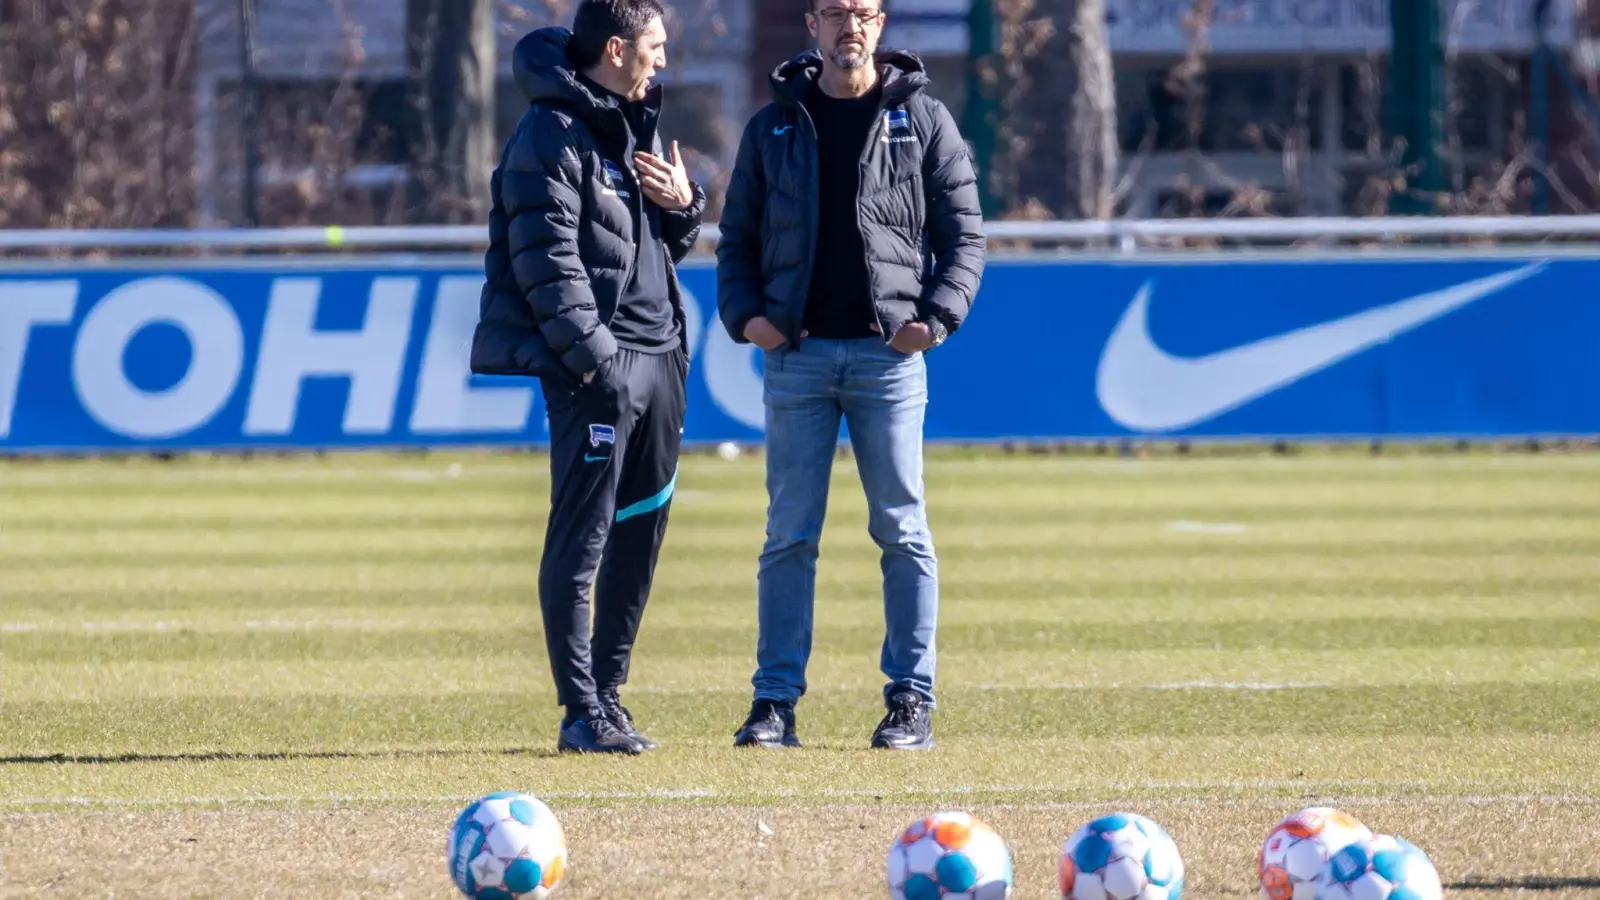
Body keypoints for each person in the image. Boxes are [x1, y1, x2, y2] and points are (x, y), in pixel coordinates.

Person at [715, 0, 985, 750]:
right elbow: (734, 238)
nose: (850, 28)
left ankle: (910, 700)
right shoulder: (773, 124)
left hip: (887, 360)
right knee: (787, 537)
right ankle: (774, 705)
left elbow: (965, 235)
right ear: (812, 25)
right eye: (835, 13)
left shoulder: (924, 119)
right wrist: (747, 318)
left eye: (863, 12)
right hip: (796, 357)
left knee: (902, 530)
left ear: (882, 23)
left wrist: (935, 318)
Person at [470, 0, 706, 755]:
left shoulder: (635, 119)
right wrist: (598, 363)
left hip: (662, 356)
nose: (663, 61)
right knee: (584, 537)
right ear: (615, 48)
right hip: (600, 370)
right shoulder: (550, 131)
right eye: (655, 47)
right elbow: (548, 263)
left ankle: (609, 696)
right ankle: (580, 711)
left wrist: (685, 206)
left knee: (641, 534)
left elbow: (658, 241)